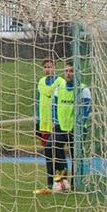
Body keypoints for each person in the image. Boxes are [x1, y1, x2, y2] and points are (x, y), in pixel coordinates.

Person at [42, 62, 91, 194]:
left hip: (77, 130)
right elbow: (54, 107)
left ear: (77, 73)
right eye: (67, 71)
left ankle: (75, 184)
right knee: (49, 147)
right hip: (61, 128)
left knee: (76, 156)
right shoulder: (60, 88)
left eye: (71, 71)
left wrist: (79, 127)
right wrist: (56, 123)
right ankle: (54, 182)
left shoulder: (83, 90)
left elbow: (86, 111)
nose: (68, 73)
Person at [35, 59, 62, 195]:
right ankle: (50, 183)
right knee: (48, 154)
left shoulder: (60, 82)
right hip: (44, 124)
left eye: (50, 67)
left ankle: (61, 182)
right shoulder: (41, 82)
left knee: (58, 153)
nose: (47, 70)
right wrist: (37, 122)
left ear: (55, 67)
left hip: (56, 124)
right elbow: (38, 102)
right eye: (45, 67)